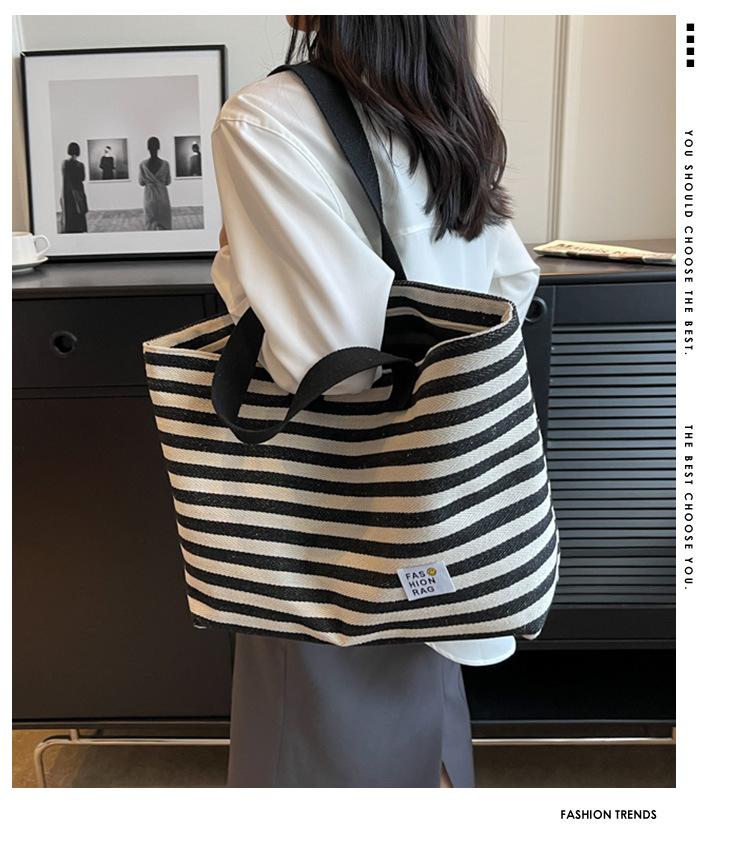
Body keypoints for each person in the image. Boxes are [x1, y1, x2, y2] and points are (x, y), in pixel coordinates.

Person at [210, 15, 541, 788]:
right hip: (452, 497)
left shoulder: (263, 120)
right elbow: (512, 286)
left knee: (313, 739)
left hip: (331, 512)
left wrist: (238, 272)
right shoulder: (448, 118)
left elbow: (336, 364)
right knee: (425, 709)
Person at [138, 136, 172, 229]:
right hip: (162, 197)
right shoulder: (165, 164)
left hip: (149, 198)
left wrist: (150, 181)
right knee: (165, 225)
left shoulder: (142, 164)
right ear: (159, 147)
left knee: (149, 225)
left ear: (148, 148)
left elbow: (141, 182)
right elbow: (168, 181)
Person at [60, 141, 88, 233]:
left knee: (70, 212)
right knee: (79, 211)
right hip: (78, 190)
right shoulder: (80, 165)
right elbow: (83, 178)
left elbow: (65, 177)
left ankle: (69, 229)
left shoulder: (65, 164)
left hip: (68, 192)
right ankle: (80, 229)